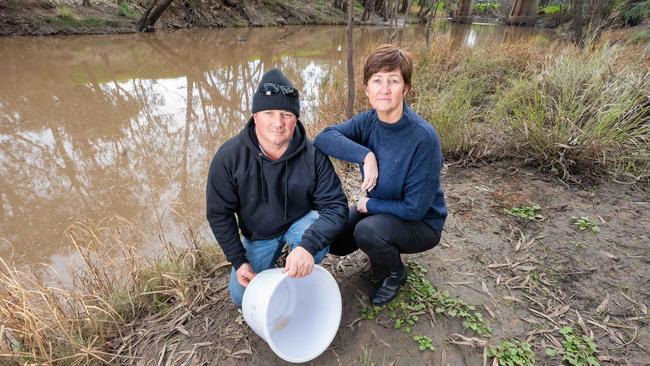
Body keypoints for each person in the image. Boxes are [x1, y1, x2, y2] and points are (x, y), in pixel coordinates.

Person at [314, 44, 447, 306]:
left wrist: (369, 204)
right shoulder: (368, 121)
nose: (384, 89)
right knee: (337, 240)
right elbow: (324, 138)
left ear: (405, 89)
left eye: (393, 81)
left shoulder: (423, 138)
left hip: (422, 223)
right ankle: (381, 248)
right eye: (377, 80)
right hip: (384, 210)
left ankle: (396, 272)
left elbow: (415, 209)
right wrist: (366, 155)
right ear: (367, 89)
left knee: (367, 231)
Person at [206, 68, 348, 307]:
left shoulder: (313, 155)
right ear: (255, 116)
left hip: (301, 222)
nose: (278, 123)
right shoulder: (229, 157)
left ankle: (299, 266)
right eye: (268, 113)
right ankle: (277, 263)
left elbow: (336, 206)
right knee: (241, 297)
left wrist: (307, 246)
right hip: (259, 235)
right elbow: (219, 214)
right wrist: (238, 261)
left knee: (316, 246)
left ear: (296, 119)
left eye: (286, 114)